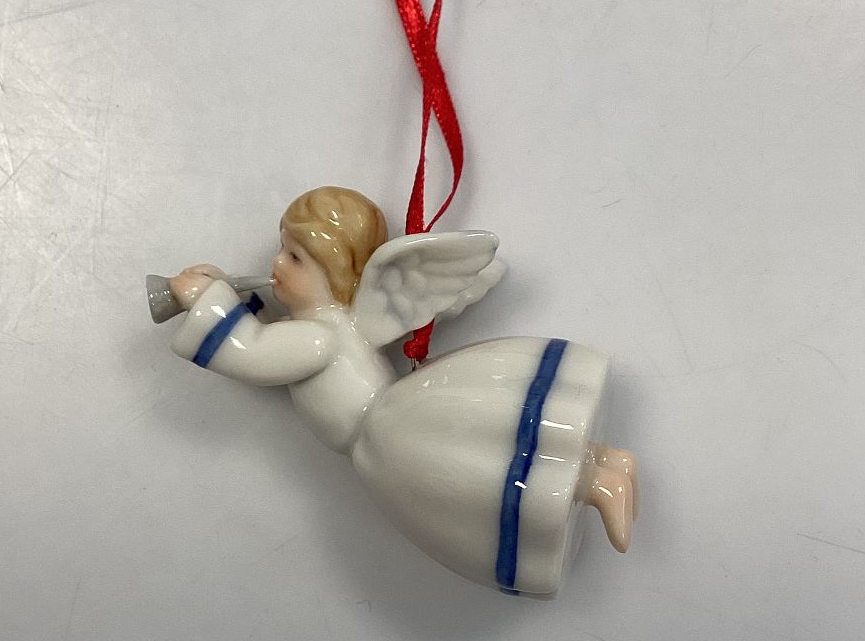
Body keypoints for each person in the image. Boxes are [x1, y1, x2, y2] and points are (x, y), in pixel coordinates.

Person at [166, 186, 636, 596]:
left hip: (392, 434)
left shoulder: (317, 337)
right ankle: (609, 464)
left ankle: (600, 483)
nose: (275, 265)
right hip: (384, 432)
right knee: (486, 464)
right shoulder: (321, 327)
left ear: (335, 274)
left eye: (294, 257)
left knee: (482, 475)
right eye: (281, 249)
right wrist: (226, 292)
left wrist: (205, 300)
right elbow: (266, 337)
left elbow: (251, 352)